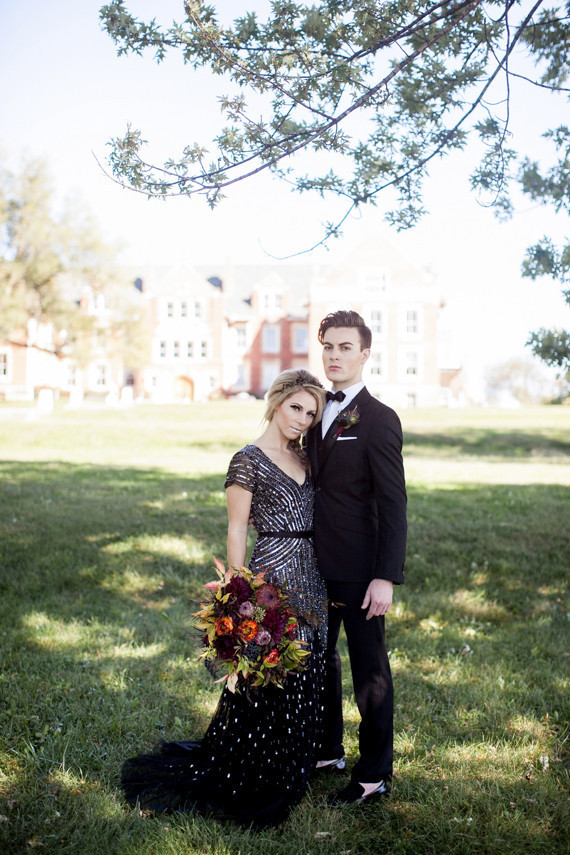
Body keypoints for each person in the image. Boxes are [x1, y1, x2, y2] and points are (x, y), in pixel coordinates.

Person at [121, 368, 328, 827]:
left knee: (308, 664)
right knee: (269, 668)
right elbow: (237, 528)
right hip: (272, 571)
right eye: (296, 407)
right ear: (276, 403)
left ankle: (293, 763)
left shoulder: (307, 458)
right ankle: (256, 766)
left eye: (310, 414)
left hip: (313, 573)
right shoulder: (248, 459)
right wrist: (239, 590)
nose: (302, 419)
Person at [305, 310, 407, 805]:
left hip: (361, 570)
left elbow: (393, 503)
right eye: (328, 346)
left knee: (370, 671)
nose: (334, 355)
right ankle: (328, 751)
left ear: (365, 354)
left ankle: (373, 775)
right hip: (313, 565)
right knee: (320, 662)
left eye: (345, 347)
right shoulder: (312, 412)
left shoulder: (380, 419)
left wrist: (385, 575)